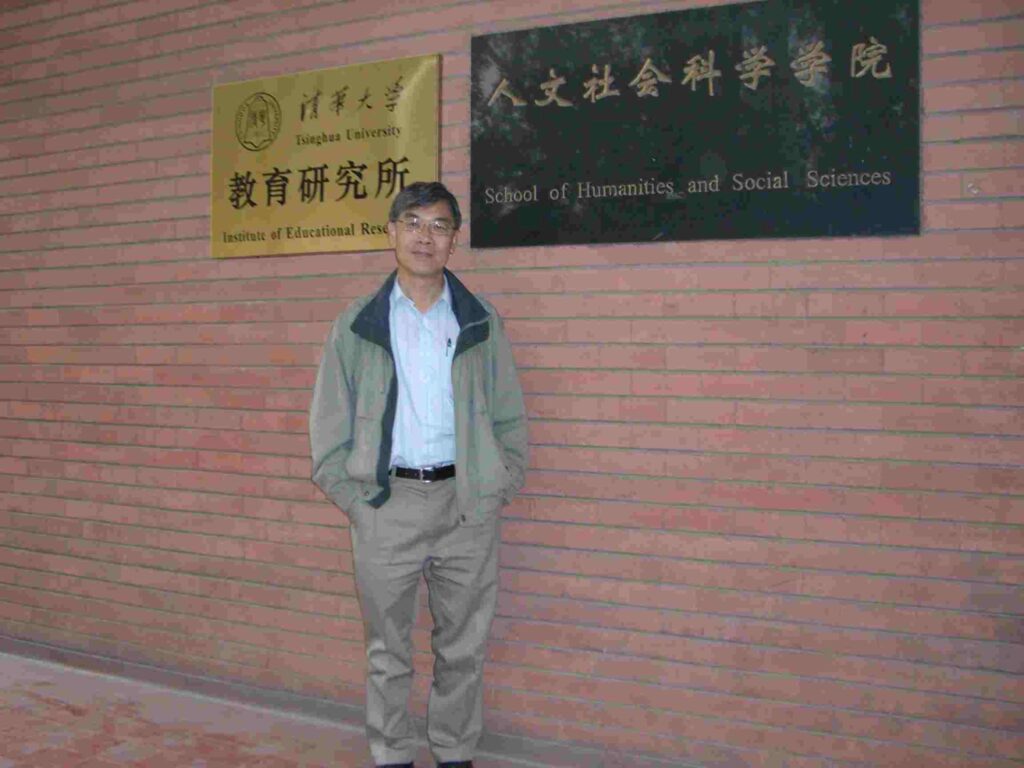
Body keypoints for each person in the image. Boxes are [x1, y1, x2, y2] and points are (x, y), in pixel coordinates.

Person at [309, 181, 528, 768]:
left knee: (464, 648)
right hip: (387, 504)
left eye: (438, 225)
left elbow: (509, 416)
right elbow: (328, 427)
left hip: (466, 505)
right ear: (392, 232)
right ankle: (392, 755)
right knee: (388, 650)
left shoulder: (480, 322)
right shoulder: (357, 324)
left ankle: (455, 753)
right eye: (412, 222)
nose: (424, 236)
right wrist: (357, 502)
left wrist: (496, 486)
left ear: (454, 239)